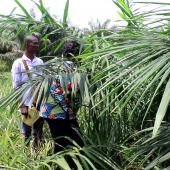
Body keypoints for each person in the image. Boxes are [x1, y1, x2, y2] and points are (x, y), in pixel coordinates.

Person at [39, 41, 84, 153]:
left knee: (60, 142)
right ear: (78, 54)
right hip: (60, 112)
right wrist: (72, 112)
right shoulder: (76, 70)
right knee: (73, 142)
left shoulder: (53, 66)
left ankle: (61, 163)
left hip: (48, 111)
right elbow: (75, 95)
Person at [11, 34, 44, 147]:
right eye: (34, 43)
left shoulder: (40, 62)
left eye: (37, 43)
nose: (37, 45)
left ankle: (38, 154)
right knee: (26, 132)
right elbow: (16, 86)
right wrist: (22, 106)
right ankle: (25, 156)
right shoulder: (18, 63)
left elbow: (43, 83)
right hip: (25, 103)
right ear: (26, 45)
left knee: (39, 132)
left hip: (38, 103)